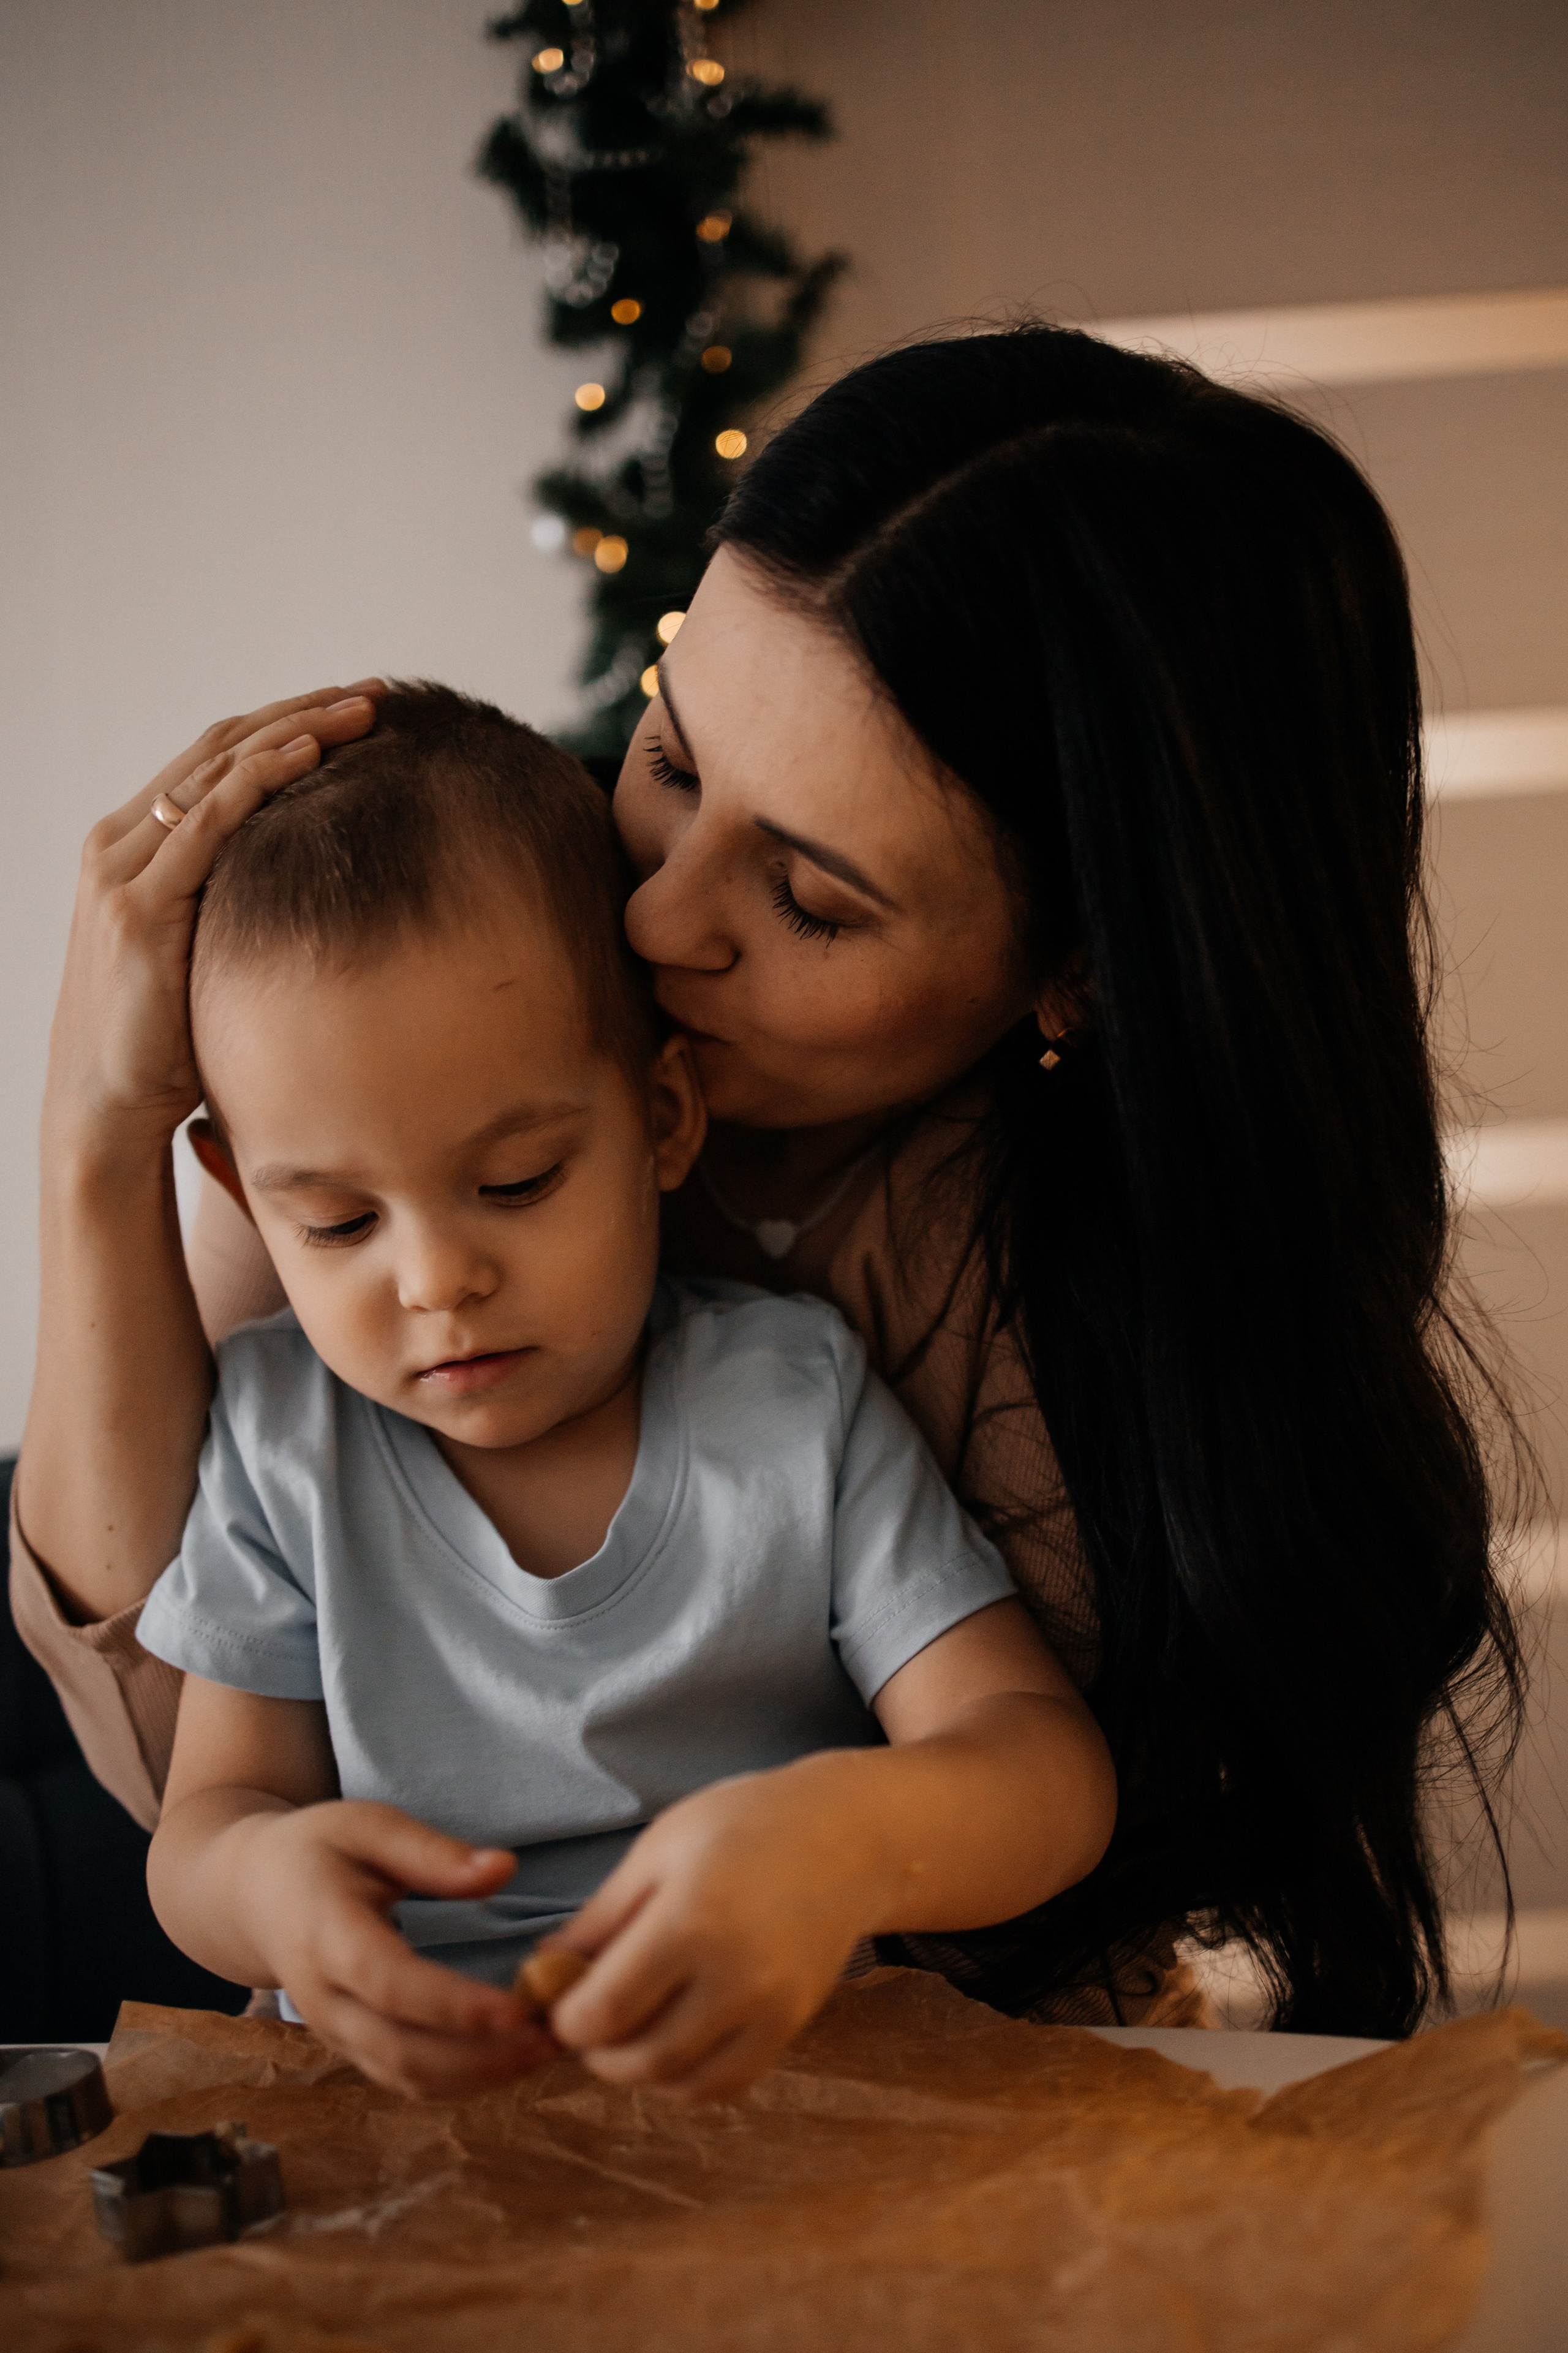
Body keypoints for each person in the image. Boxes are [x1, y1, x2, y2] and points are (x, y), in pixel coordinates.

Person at [13, 323, 1523, 2051]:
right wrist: (93, 1125)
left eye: (809, 899)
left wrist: (839, 1846)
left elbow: (1028, 1830)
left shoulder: (1018, 1335)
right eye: (668, 757)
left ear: (1086, 969)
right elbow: (161, 1745)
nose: (652, 919)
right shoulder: (412, 1079)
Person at [135, 685, 1112, 2099]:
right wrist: (268, 1888)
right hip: (408, 2143)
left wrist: (836, 1839)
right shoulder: (283, 1437)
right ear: (241, 1193)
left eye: (517, 1181)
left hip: (782, 2114)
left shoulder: (792, 1400)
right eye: (339, 1223)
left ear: (660, 1118)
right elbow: (203, 1827)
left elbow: (1042, 1771)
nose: (435, 1280)